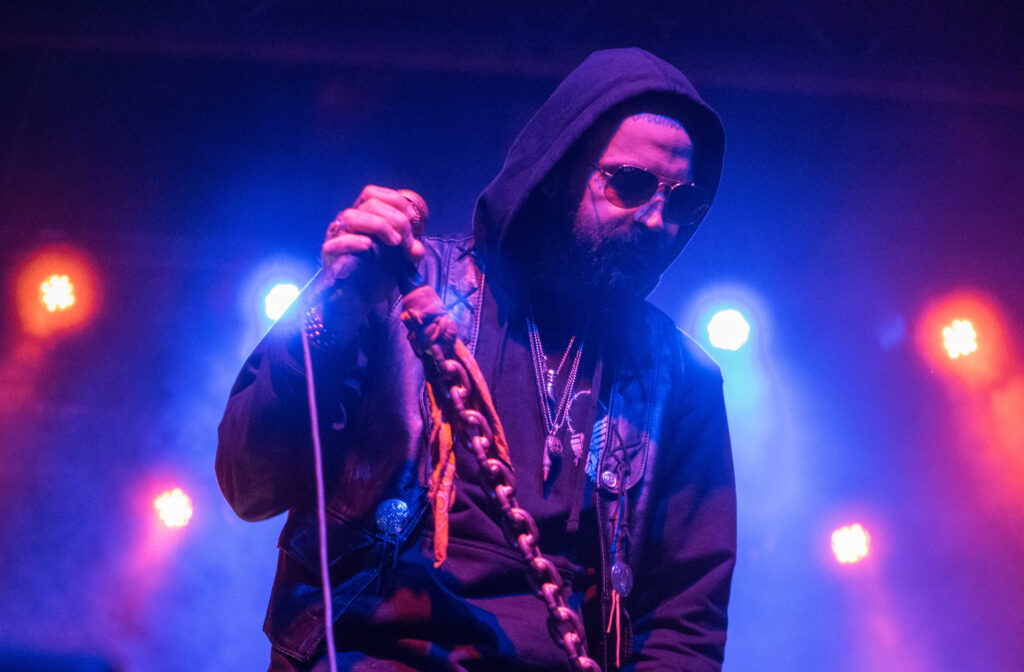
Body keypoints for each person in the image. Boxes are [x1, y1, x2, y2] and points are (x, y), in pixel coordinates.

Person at [217, 47, 736, 671]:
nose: (657, 221)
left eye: (682, 204)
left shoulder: (682, 379)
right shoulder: (397, 289)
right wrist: (334, 304)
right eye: (629, 184)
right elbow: (248, 485)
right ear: (558, 171)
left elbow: (684, 624)